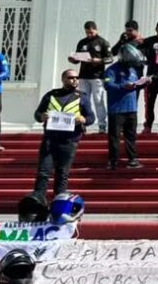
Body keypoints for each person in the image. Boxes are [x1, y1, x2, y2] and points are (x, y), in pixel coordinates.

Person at [31, 69, 95, 199]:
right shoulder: (51, 95)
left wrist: (83, 119)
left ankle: (58, 201)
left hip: (69, 141)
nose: (75, 80)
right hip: (50, 140)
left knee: (62, 173)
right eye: (71, 78)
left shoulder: (82, 97)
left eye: (77, 78)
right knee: (43, 171)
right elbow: (37, 114)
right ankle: (38, 199)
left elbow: (91, 117)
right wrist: (42, 117)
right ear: (63, 79)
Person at [104, 51, 147, 170]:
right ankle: (113, 160)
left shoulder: (133, 70)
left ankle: (132, 159)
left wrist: (144, 83)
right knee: (115, 137)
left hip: (131, 108)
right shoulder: (111, 70)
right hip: (117, 109)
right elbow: (108, 85)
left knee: (131, 136)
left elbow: (135, 85)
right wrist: (123, 86)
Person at [69, 21, 113, 134]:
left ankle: (102, 125)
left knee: (98, 100)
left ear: (96, 30)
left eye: (91, 32)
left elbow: (110, 58)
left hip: (97, 76)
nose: (89, 34)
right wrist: (73, 59)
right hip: (83, 76)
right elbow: (77, 58)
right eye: (87, 32)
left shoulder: (103, 42)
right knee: (83, 101)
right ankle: (83, 124)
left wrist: (99, 60)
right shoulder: (82, 42)